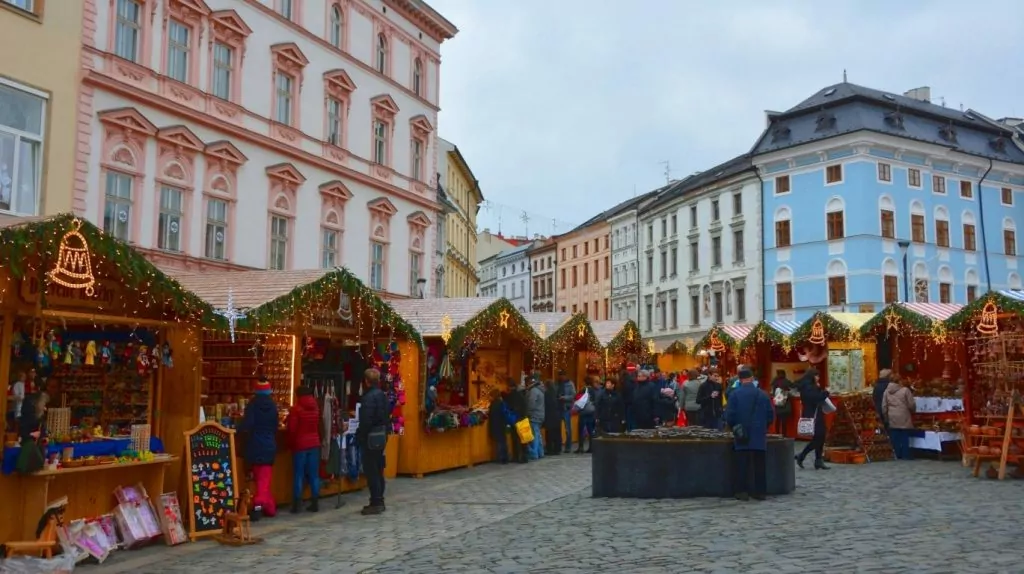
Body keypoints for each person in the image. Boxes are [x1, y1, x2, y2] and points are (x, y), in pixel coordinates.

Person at [725, 367, 774, 501]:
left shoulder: (735, 394)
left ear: (739, 380)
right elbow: (770, 415)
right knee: (759, 465)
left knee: (742, 465)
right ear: (752, 378)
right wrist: (763, 427)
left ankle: (742, 491)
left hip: (742, 434)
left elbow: (730, 415)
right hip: (758, 434)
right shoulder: (763, 394)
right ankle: (760, 492)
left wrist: (734, 427)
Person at [239, 377, 279, 517]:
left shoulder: (252, 405)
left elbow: (247, 424)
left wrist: (238, 429)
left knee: (259, 479)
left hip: (254, 444)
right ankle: (267, 507)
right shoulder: (273, 406)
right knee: (264, 480)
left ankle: (260, 507)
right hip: (269, 445)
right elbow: (275, 426)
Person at [357, 368, 390, 515]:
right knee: (378, 468)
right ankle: (379, 499)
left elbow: (366, 420)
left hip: (371, 436)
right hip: (381, 434)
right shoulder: (382, 395)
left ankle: (376, 500)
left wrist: (360, 435)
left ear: (366, 381)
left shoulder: (368, 397)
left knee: (371, 470)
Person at [286, 386, 321, 513]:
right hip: (314, 443)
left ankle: (297, 504)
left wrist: (290, 443)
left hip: (300, 444)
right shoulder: (316, 408)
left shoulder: (296, 410)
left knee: (299, 474)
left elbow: (292, 429)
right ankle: (315, 502)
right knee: (314, 475)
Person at [795, 368, 830, 470]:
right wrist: (825, 393)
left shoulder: (808, 386)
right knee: (819, 437)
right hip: (813, 415)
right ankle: (802, 455)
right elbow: (815, 398)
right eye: (817, 376)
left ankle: (817, 460)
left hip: (814, 413)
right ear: (812, 376)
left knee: (820, 437)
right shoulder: (808, 387)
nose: (818, 378)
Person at [883, 375, 916, 460]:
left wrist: (886, 416)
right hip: (903, 414)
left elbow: (884, 406)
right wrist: (913, 410)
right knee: (904, 435)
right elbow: (911, 404)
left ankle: (897, 454)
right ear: (899, 381)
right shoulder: (905, 390)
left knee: (895, 436)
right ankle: (905, 454)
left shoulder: (886, 391)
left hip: (892, 415)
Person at [505, 377, 529, 463]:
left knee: (516, 439)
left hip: (515, 419)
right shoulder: (521, 395)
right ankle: (524, 456)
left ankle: (517, 456)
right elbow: (524, 406)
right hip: (523, 418)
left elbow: (509, 407)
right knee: (523, 439)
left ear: (510, 387)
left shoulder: (511, 396)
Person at [575, 377, 599, 453]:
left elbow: (577, 398)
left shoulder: (583, 389)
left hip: (583, 412)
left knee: (581, 429)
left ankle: (581, 447)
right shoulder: (593, 390)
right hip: (591, 411)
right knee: (590, 430)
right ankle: (591, 447)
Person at [526, 376, 546, 460]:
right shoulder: (540, 390)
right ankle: (540, 452)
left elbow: (531, 404)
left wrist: (527, 413)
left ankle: (534, 453)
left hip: (534, 415)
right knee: (538, 434)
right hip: (540, 414)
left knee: (534, 435)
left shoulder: (533, 391)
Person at [487, 388, 509, 463]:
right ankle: (504, 457)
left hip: (495, 425)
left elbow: (491, 416)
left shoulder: (493, 404)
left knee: (499, 442)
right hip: (501, 424)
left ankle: (501, 458)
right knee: (502, 441)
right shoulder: (501, 403)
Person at [771, 370, 794, 436]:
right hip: (785, 404)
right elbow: (792, 387)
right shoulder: (786, 381)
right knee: (784, 420)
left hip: (777, 404)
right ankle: (784, 434)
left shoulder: (775, 381)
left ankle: (777, 433)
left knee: (777, 420)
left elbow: (773, 392)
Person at [557, 371, 576, 453]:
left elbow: (573, 395)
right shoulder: (557, 383)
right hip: (558, 408)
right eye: (560, 376)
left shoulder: (570, 384)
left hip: (566, 408)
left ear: (565, 375)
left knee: (567, 429)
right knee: (557, 428)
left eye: (562, 376)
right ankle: (559, 445)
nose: (561, 377)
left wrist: (564, 398)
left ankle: (568, 447)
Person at [543, 379, 562, 455]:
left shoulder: (546, 394)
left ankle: (550, 449)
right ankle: (557, 449)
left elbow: (545, 405)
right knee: (557, 433)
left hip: (549, 415)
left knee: (550, 434)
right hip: (557, 415)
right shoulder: (556, 393)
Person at [873, 368, 893, 433]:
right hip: (888, 410)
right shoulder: (889, 385)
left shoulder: (876, 385)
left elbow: (874, 397)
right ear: (888, 376)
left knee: (882, 429)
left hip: (878, 409)